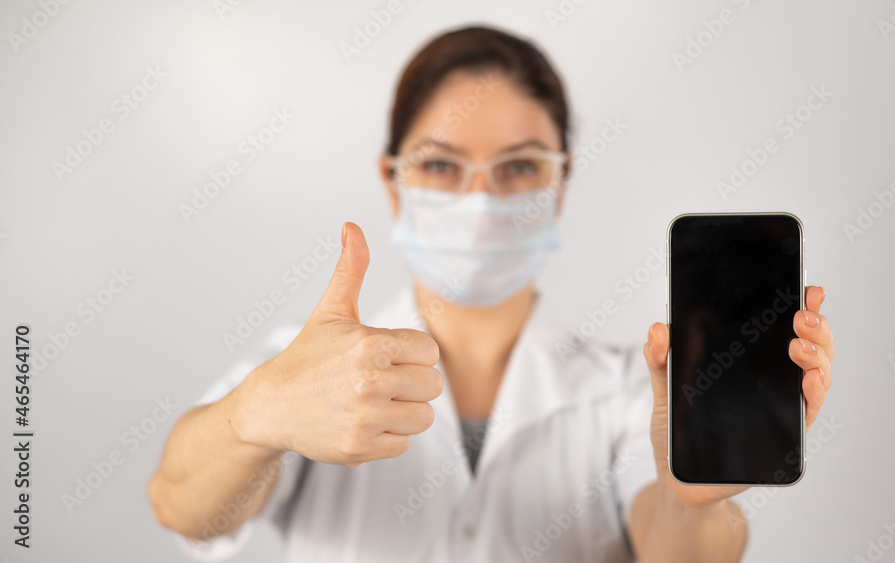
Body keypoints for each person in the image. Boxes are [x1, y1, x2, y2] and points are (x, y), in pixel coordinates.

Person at [148, 25, 835, 562]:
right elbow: (180, 503)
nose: (480, 197)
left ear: (559, 186)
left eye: (520, 166)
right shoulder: (303, 371)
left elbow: (678, 548)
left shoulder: (639, 388)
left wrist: (692, 504)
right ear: (394, 184)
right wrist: (257, 412)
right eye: (442, 164)